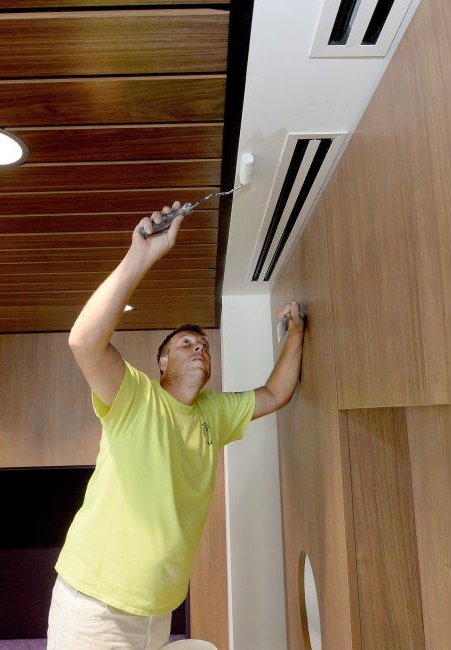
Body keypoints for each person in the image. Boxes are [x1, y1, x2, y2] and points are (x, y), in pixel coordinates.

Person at [46, 201, 305, 649]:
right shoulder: (136, 397)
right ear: (162, 362)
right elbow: (84, 341)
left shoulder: (213, 412)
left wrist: (296, 334)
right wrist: (140, 257)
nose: (199, 349)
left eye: (204, 345)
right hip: (94, 607)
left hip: (158, 610)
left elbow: (274, 395)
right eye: (186, 343)